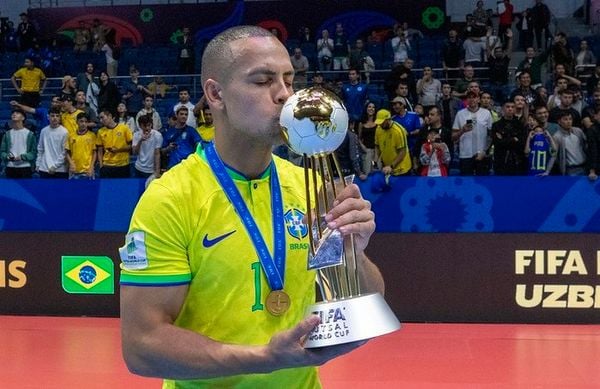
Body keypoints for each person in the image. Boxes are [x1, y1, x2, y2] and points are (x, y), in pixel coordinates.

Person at [118, 25, 382, 387]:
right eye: (262, 81)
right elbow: (142, 346)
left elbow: (364, 302)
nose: (285, 95)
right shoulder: (171, 199)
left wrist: (354, 251)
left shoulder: (311, 187)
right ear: (216, 94)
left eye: (289, 80)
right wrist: (265, 359)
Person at [452, 90, 493, 175]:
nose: (472, 99)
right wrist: (462, 130)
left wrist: (484, 151)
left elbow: (490, 135)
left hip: (482, 154)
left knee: (483, 184)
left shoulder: (486, 113)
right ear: (466, 100)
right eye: (469, 97)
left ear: (478, 99)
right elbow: (453, 137)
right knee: (467, 184)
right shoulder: (460, 114)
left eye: (474, 97)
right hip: (465, 155)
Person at [491, 100, 526, 175]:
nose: (510, 109)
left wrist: (504, 139)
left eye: (512, 107)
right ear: (503, 109)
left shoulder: (520, 125)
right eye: (507, 107)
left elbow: (521, 143)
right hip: (501, 161)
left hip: (517, 161)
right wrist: (513, 139)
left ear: (515, 109)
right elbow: (497, 143)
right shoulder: (496, 125)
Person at [0, 108, 37, 178]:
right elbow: (2, 152)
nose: (14, 114)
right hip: (10, 167)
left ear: (23, 118)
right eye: (13, 113)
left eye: (17, 113)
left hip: (25, 167)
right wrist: (7, 156)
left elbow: (34, 152)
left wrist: (23, 157)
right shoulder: (7, 134)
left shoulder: (30, 134)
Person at [96, 109, 133, 178]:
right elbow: (100, 150)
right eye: (99, 118)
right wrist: (101, 165)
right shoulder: (100, 131)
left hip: (123, 165)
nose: (101, 120)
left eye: (102, 117)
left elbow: (131, 146)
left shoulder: (124, 128)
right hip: (107, 166)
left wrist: (118, 150)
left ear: (110, 116)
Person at [374, 109, 412, 176]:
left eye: (382, 122)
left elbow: (402, 152)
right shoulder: (378, 129)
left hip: (401, 169)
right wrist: (376, 160)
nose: (380, 125)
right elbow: (377, 145)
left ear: (388, 120)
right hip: (387, 168)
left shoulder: (398, 131)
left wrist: (391, 166)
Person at [36, 108, 69, 178]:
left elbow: (64, 152)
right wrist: (38, 164)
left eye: (57, 116)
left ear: (60, 118)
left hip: (60, 170)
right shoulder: (44, 131)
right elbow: (40, 149)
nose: (55, 118)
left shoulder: (64, 132)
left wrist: (55, 166)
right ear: (48, 117)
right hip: (44, 168)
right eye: (52, 116)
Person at [552, 111, 586, 176]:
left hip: (584, 167)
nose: (568, 121)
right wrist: (547, 171)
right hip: (570, 170)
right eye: (565, 119)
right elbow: (554, 155)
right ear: (559, 121)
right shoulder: (556, 136)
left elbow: (586, 146)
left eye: (570, 119)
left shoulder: (578, 131)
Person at [65, 112, 97, 179]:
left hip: (88, 171)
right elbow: (67, 152)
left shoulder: (92, 136)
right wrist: (71, 163)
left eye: (86, 122)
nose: (84, 124)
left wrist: (91, 167)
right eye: (81, 121)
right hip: (74, 171)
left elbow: (94, 153)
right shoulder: (71, 136)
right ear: (77, 122)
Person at [358, 102, 377, 175]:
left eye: (373, 107)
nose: (371, 109)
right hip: (366, 151)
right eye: (369, 107)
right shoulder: (361, 123)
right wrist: (363, 147)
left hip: (377, 151)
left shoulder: (378, 122)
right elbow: (359, 137)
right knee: (367, 172)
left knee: (378, 172)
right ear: (366, 109)